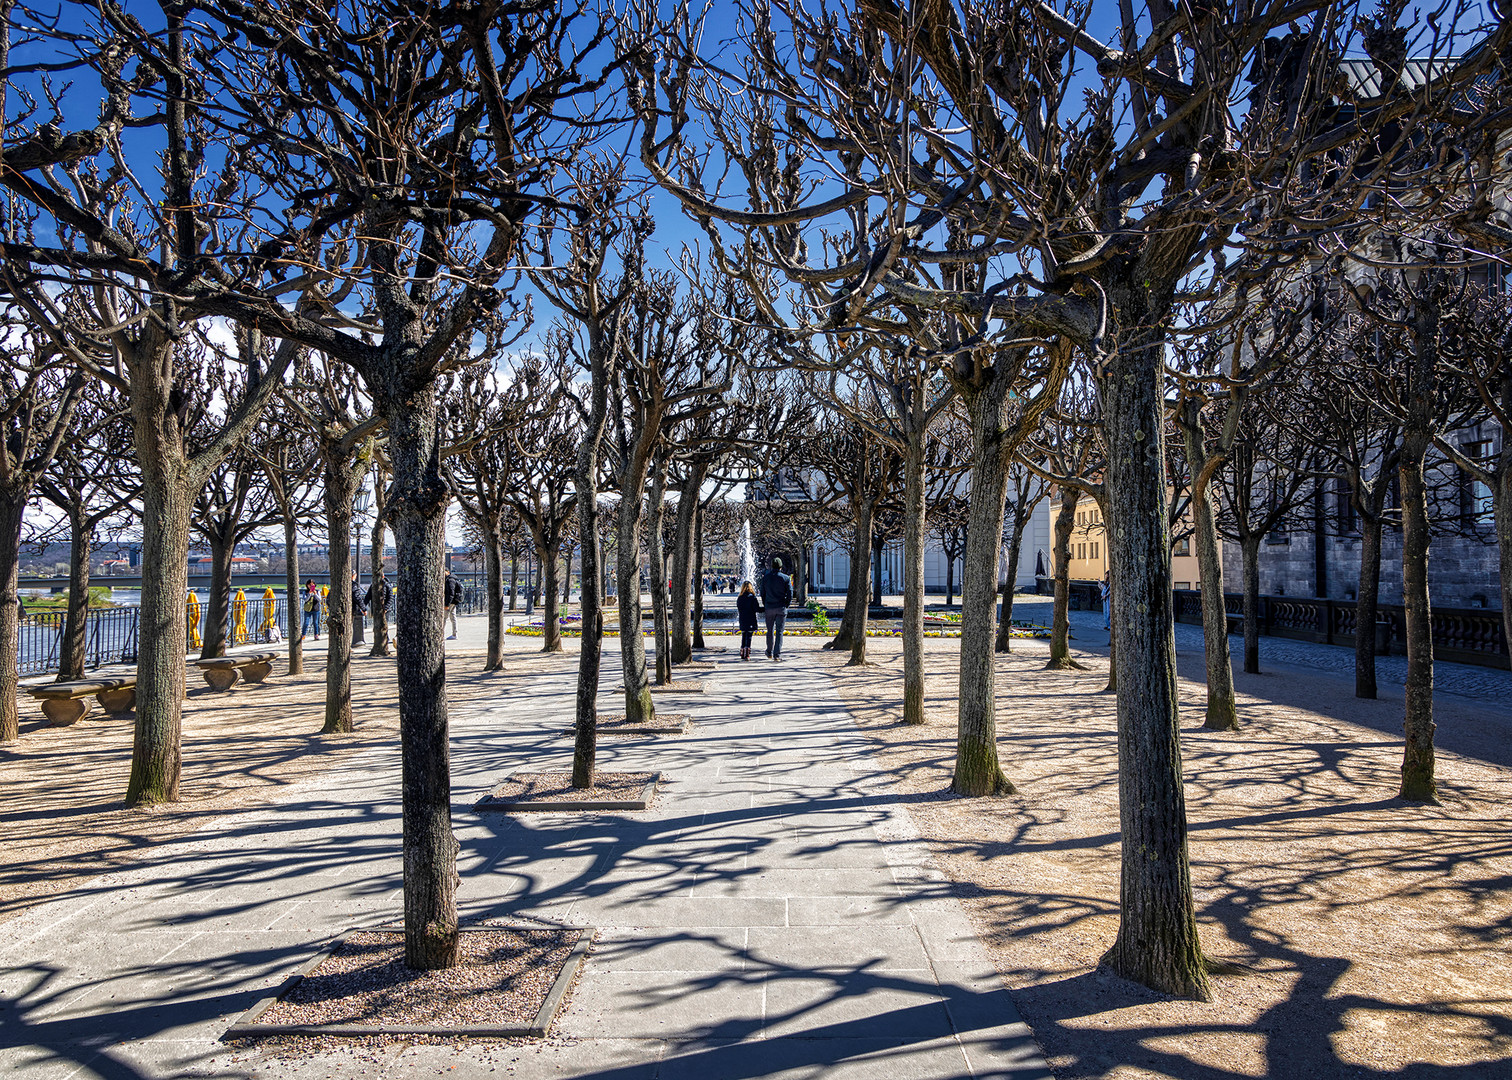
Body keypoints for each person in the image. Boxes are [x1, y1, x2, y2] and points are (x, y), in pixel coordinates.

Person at [759, 555, 792, 660]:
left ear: (771, 566)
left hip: (769, 607)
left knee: (769, 631)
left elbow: (762, 593)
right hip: (781, 607)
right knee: (779, 632)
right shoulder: (786, 578)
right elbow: (790, 594)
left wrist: (765, 604)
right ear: (781, 567)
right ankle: (777, 654)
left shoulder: (766, 578)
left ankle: (769, 651)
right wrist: (786, 604)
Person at [737, 580, 759, 661]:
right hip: (750, 619)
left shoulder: (740, 598)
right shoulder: (752, 597)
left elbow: (739, 608)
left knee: (744, 635)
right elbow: (756, 609)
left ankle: (742, 652)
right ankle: (747, 653)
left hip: (742, 619)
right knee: (749, 636)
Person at [444, 571, 462, 639]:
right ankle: (455, 633)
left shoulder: (450, 580)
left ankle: (442, 633)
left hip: (450, 602)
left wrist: (447, 604)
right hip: (454, 601)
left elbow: (451, 593)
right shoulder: (453, 579)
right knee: (453, 617)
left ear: (447, 572)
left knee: (444, 617)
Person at [351, 572, 366, 645]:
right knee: (349, 627)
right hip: (351, 609)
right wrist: (363, 608)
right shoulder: (353, 585)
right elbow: (357, 597)